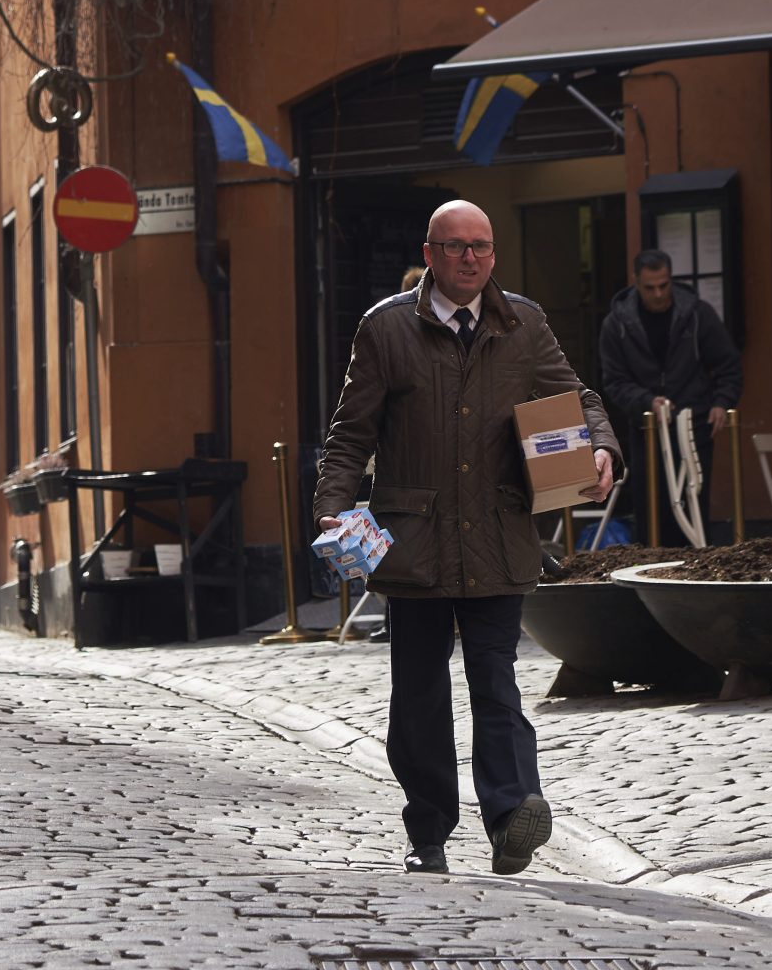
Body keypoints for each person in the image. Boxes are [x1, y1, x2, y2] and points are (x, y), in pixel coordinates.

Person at [315, 200, 618, 877]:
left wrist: (598, 449)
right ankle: (428, 832)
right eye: (455, 247)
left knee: (497, 683)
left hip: (498, 532)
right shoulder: (386, 329)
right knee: (418, 697)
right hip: (413, 541)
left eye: (481, 246)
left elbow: (577, 401)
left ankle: (512, 818)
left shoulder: (524, 323)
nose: (470, 258)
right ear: (430, 254)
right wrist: (333, 510)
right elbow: (350, 437)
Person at [597, 249, 741, 540]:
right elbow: (614, 381)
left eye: (664, 285)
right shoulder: (616, 324)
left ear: (671, 279)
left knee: (694, 504)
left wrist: (721, 402)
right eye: (650, 287)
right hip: (647, 428)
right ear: (636, 281)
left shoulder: (698, 314)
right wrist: (646, 401)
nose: (659, 294)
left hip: (694, 424)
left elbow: (729, 365)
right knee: (651, 507)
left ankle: (694, 569)